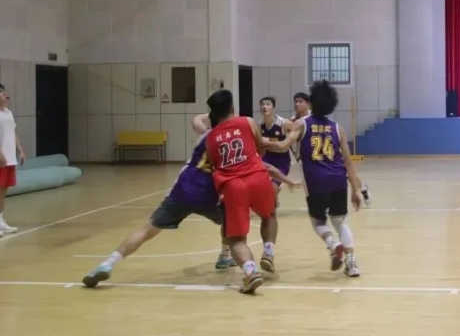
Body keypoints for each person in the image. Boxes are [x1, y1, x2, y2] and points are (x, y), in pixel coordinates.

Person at [82, 114, 237, 288]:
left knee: (146, 230)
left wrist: (210, 113)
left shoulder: (206, 135)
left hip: (182, 190)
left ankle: (108, 263)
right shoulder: (232, 144)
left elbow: (195, 121)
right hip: (208, 195)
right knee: (231, 220)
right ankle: (226, 257)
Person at [264, 80, 363, 277]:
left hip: (316, 181)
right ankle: (352, 264)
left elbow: (283, 147)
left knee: (318, 222)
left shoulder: (302, 124)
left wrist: (261, 141)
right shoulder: (337, 128)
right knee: (340, 222)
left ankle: (332, 244)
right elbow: (348, 162)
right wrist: (356, 189)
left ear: (312, 102)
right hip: (338, 180)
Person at [206, 89, 300, 294]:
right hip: (258, 177)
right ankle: (268, 252)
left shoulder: (211, 138)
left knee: (236, 239)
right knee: (270, 214)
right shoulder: (248, 122)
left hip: (233, 186)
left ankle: (251, 272)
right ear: (232, 108)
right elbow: (261, 150)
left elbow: (214, 165)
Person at [0, 83, 25, 236]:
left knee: (3, 190)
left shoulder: (8, 113)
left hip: (10, 158)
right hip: (1, 158)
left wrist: (20, 150)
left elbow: (12, 132)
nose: (4, 94)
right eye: (0, 92)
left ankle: (0, 220)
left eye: (3, 91)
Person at [258, 97, 295, 199]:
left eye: (268, 104)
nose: (264, 106)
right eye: (262, 104)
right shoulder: (259, 125)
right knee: (259, 188)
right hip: (266, 158)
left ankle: (274, 193)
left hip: (281, 160)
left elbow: (298, 132)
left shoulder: (284, 123)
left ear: (273, 108)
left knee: (271, 191)